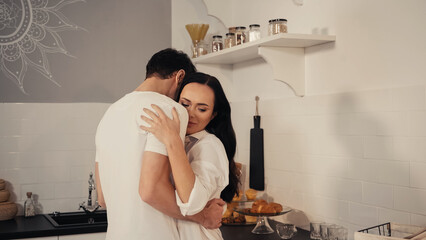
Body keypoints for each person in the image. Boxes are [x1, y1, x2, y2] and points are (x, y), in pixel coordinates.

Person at [94, 49, 225, 240]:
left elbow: (102, 199)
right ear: (180, 76)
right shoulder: (169, 109)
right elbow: (150, 191)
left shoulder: (109, 114)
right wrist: (203, 216)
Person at [140, 72, 240, 240]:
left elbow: (191, 204)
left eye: (202, 109)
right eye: (185, 104)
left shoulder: (210, 146)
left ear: (213, 114)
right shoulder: (181, 141)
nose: (190, 114)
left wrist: (172, 141)